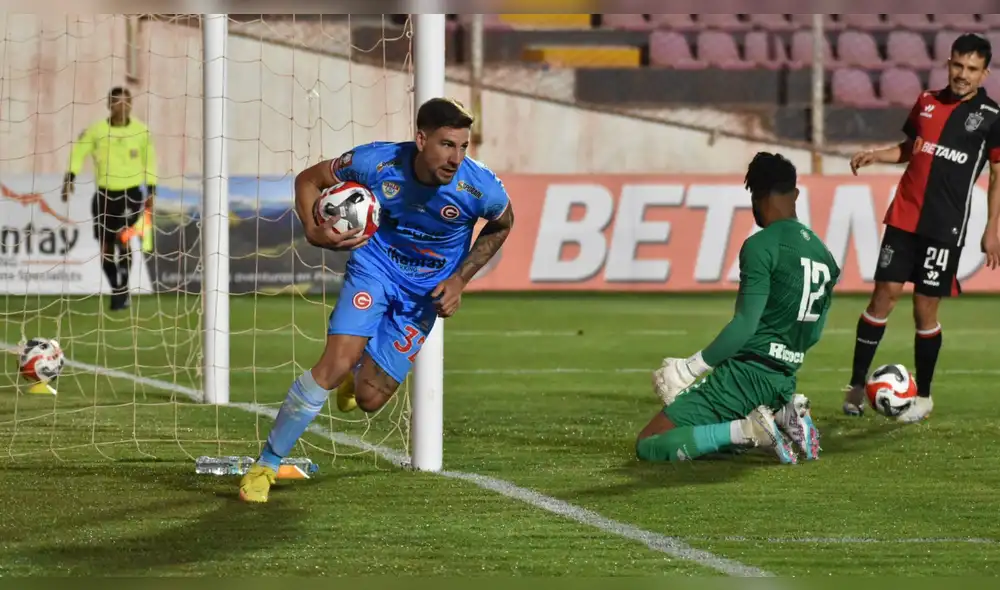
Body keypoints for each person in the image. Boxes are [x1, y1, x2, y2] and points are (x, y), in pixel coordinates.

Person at [239, 98, 514, 503]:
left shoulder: (480, 187)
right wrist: (314, 231)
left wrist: (459, 280)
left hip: (426, 292)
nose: (456, 158)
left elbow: (503, 224)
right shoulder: (376, 163)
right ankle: (266, 463)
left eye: (462, 147)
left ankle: (357, 373)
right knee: (332, 365)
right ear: (421, 140)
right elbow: (308, 180)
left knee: (368, 400)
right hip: (376, 268)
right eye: (446, 144)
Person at [640, 152, 840, 464]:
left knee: (650, 443)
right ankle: (783, 415)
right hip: (785, 377)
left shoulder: (762, 245)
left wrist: (688, 369)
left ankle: (749, 430)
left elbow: (745, 325)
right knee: (709, 436)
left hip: (744, 378)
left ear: (758, 197)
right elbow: (813, 332)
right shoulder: (823, 254)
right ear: (795, 194)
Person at [844, 33, 1000, 423]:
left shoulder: (993, 118)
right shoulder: (926, 102)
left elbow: (998, 176)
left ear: (984, 73)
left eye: (972, 69)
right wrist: (875, 155)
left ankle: (924, 397)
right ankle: (855, 386)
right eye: (958, 65)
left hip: (943, 228)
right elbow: (909, 147)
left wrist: (992, 229)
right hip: (903, 218)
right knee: (883, 296)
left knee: (923, 309)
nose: (963, 74)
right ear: (949, 63)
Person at [62, 86, 157, 311]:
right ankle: (117, 288)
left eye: (126, 102)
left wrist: (152, 190)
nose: (121, 107)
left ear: (131, 105)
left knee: (122, 238)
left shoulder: (141, 131)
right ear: (109, 105)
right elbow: (78, 154)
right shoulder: (96, 131)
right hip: (105, 194)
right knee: (105, 246)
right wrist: (69, 179)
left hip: (131, 193)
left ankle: (122, 288)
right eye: (116, 102)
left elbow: (150, 160)